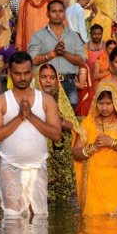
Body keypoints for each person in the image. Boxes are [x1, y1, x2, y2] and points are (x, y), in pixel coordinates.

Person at [0, 52, 62, 218]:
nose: (22, 77)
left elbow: (56, 134)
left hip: (38, 167)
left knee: (39, 221)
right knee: (12, 222)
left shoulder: (46, 100)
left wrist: (31, 116)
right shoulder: (0, 101)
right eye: (17, 73)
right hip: (9, 168)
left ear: (32, 73)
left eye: (26, 73)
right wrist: (20, 117)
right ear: (10, 74)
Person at [73, 83, 117, 218]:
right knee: (95, 225)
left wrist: (113, 143)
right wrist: (93, 147)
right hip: (94, 186)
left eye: (108, 103)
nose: (104, 107)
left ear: (115, 102)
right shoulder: (88, 124)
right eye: (101, 103)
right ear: (95, 103)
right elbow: (76, 153)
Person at [27, 0, 86, 107]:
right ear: (47, 14)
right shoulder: (39, 35)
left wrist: (64, 53)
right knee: (47, 116)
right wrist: (53, 53)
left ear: (64, 13)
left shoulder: (73, 36)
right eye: (54, 11)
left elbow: (81, 60)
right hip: (47, 85)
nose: (57, 14)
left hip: (69, 83)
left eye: (60, 11)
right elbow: (32, 60)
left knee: (69, 120)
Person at [36, 63, 80, 205]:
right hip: (39, 161)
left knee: (63, 212)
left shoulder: (61, 100)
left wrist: (57, 120)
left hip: (63, 164)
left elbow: (74, 126)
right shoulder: (31, 102)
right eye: (44, 77)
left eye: (52, 77)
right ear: (38, 79)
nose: (48, 81)